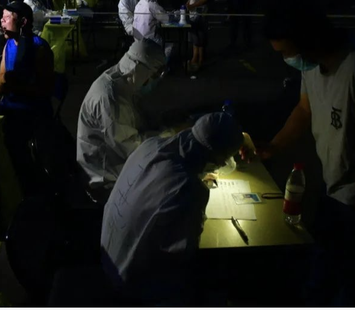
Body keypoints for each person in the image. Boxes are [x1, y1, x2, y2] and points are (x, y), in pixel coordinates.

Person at [260, 0, 355, 306]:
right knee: (325, 262)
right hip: (336, 188)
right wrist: (273, 146)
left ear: (309, 40)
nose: (286, 59)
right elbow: (305, 108)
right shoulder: (312, 63)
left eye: (286, 52)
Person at [101, 112, 254, 305]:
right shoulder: (188, 190)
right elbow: (184, 258)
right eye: (222, 161)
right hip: (132, 287)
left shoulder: (151, 146)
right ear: (219, 161)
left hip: (108, 258)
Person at [76, 39, 166, 202]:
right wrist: (169, 135)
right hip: (105, 178)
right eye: (155, 75)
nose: (155, 81)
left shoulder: (123, 81)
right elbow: (133, 148)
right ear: (142, 71)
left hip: (114, 159)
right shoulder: (110, 99)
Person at [0, 1, 55, 195]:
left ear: (24, 21)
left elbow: (44, 89)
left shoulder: (39, 49)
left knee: (12, 143)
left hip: (32, 111)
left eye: (7, 17)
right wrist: (6, 81)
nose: (2, 21)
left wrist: (10, 85)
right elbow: (0, 74)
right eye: (2, 17)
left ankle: (31, 189)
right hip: (11, 106)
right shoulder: (9, 44)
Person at [181, 0, 209, 71]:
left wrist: (193, 5)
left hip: (200, 13)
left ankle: (200, 60)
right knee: (194, 37)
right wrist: (188, 3)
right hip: (193, 13)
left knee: (200, 36)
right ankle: (194, 58)